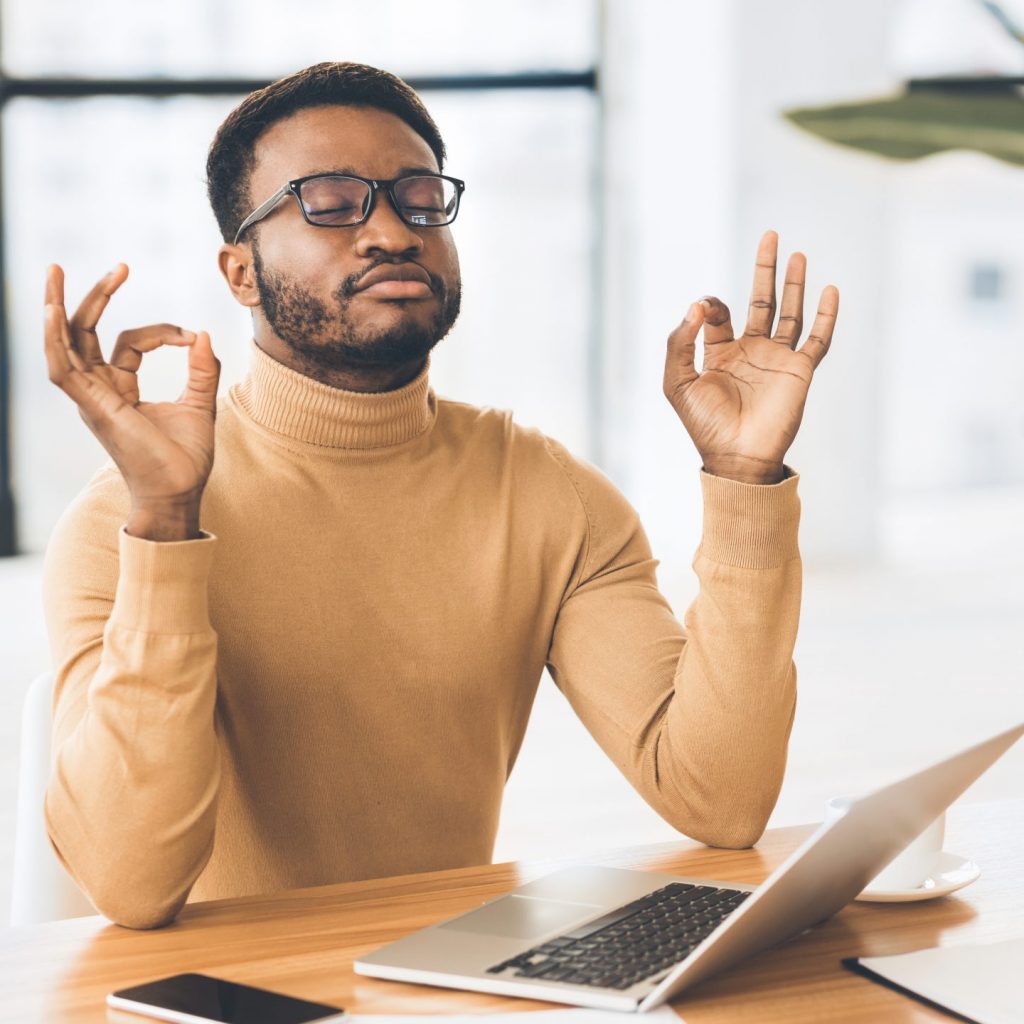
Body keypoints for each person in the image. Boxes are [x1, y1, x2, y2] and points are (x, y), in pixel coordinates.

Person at [41, 62, 839, 930]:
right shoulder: (120, 524)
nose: (392, 230)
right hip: (213, 1000)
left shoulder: (548, 495)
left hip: (446, 985)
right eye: (332, 202)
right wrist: (164, 527)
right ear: (240, 272)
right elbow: (129, 884)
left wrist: (744, 484)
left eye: (418, 197)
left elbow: (719, 797)